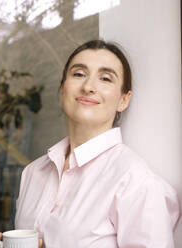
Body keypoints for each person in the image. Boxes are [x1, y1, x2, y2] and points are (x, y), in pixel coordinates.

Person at [12, 40, 180, 247]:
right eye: (79, 74)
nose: (88, 87)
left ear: (123, 100)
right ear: (63, 89)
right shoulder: (33, 172)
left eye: (106, 78)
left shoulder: (135, 182)